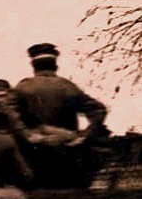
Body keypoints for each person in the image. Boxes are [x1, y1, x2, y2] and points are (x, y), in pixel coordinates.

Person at [10, 43, 110, 188]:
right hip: (67, 156)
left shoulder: (22, 88)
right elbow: (99, 110)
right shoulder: (68, 87)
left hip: (33, 157)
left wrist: (27, 135)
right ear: (55, 65)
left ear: (34, 65)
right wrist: (83, 136)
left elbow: (10, 114)